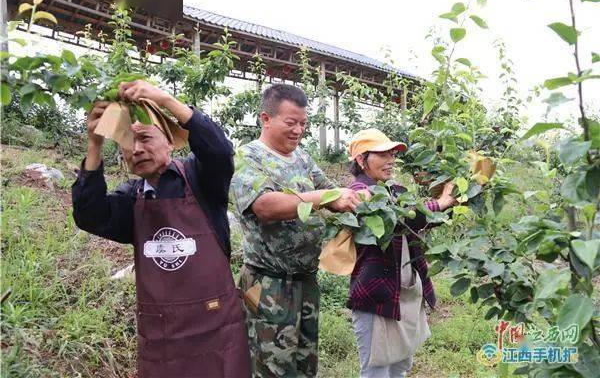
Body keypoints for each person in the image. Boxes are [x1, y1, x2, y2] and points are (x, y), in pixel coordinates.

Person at [72, 80, 251, 378]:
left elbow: (219, 151)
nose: (137, 149)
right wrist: (94, 143)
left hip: (217, 330)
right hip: (163, 339)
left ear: (169, 141)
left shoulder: (200, 178)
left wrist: (165, 99)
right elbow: (89, 215)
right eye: (128, 141)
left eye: (145, 138)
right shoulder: (131, 197)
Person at [231, 84, 361, 377]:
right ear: (266, 118)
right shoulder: (248, 157)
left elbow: (330, 190)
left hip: (305, 282)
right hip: (268, 285)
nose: (298, 130)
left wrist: (360, 195)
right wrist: (323, 198)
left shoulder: (302, 158)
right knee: (269, 368)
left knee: (304, 366)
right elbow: (265, 206)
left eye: (303, 123)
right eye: (291, 123)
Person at [346, 128, 457, 378]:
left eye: (392, 154)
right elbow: (396, 217)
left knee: (400, 365)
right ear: (361, 160)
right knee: (377, 368)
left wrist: (452, 202)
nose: (391, 160)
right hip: (376, 295)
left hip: (404, 290)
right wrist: (440, 203)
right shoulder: (357, 194)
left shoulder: (394, 189)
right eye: (382, 154)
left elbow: (418, 219)